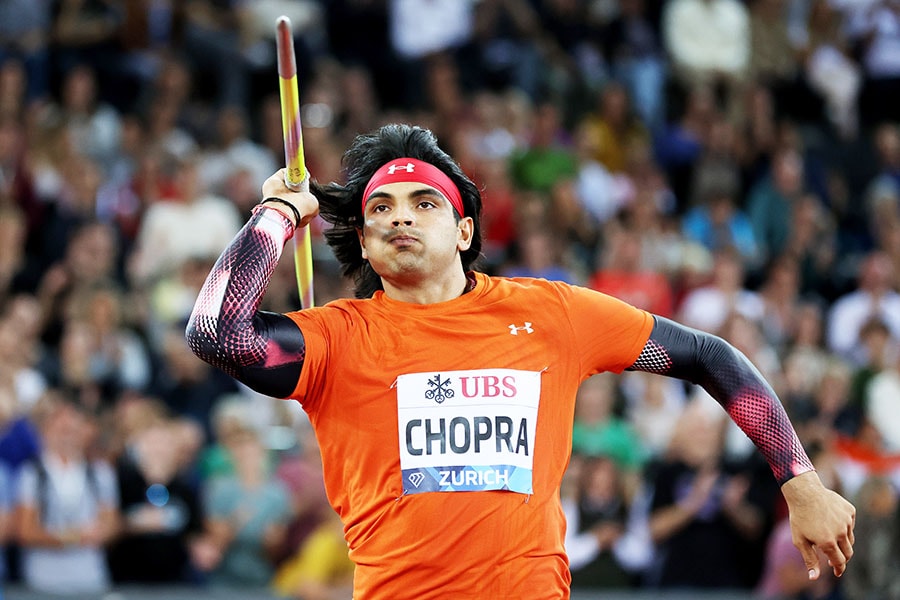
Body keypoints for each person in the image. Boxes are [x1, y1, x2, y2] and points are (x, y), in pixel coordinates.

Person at [185, 123, 855, 599]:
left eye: (425, 203)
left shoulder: (553, 315)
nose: (401, 218)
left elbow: (709, 356)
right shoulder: (335, 339)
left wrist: (799, 481)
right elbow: (217, 331)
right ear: (363, 239)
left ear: (466, 230)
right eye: (380, 209)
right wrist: (275, 213)